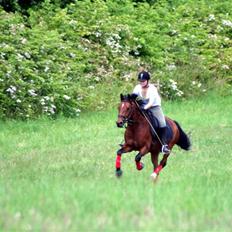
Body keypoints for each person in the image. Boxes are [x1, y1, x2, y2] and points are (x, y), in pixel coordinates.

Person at [132, 70, 170, 154]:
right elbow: (133, 98)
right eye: (140, 81)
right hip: (142, 107)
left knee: (162, 123)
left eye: (143, 81)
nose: (141, 82)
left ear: (147, 80)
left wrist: (144, 108)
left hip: (154, 107)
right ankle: (128, 140)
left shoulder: (152, 89)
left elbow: (151, 102)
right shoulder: (137, 87)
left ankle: (164, 145)